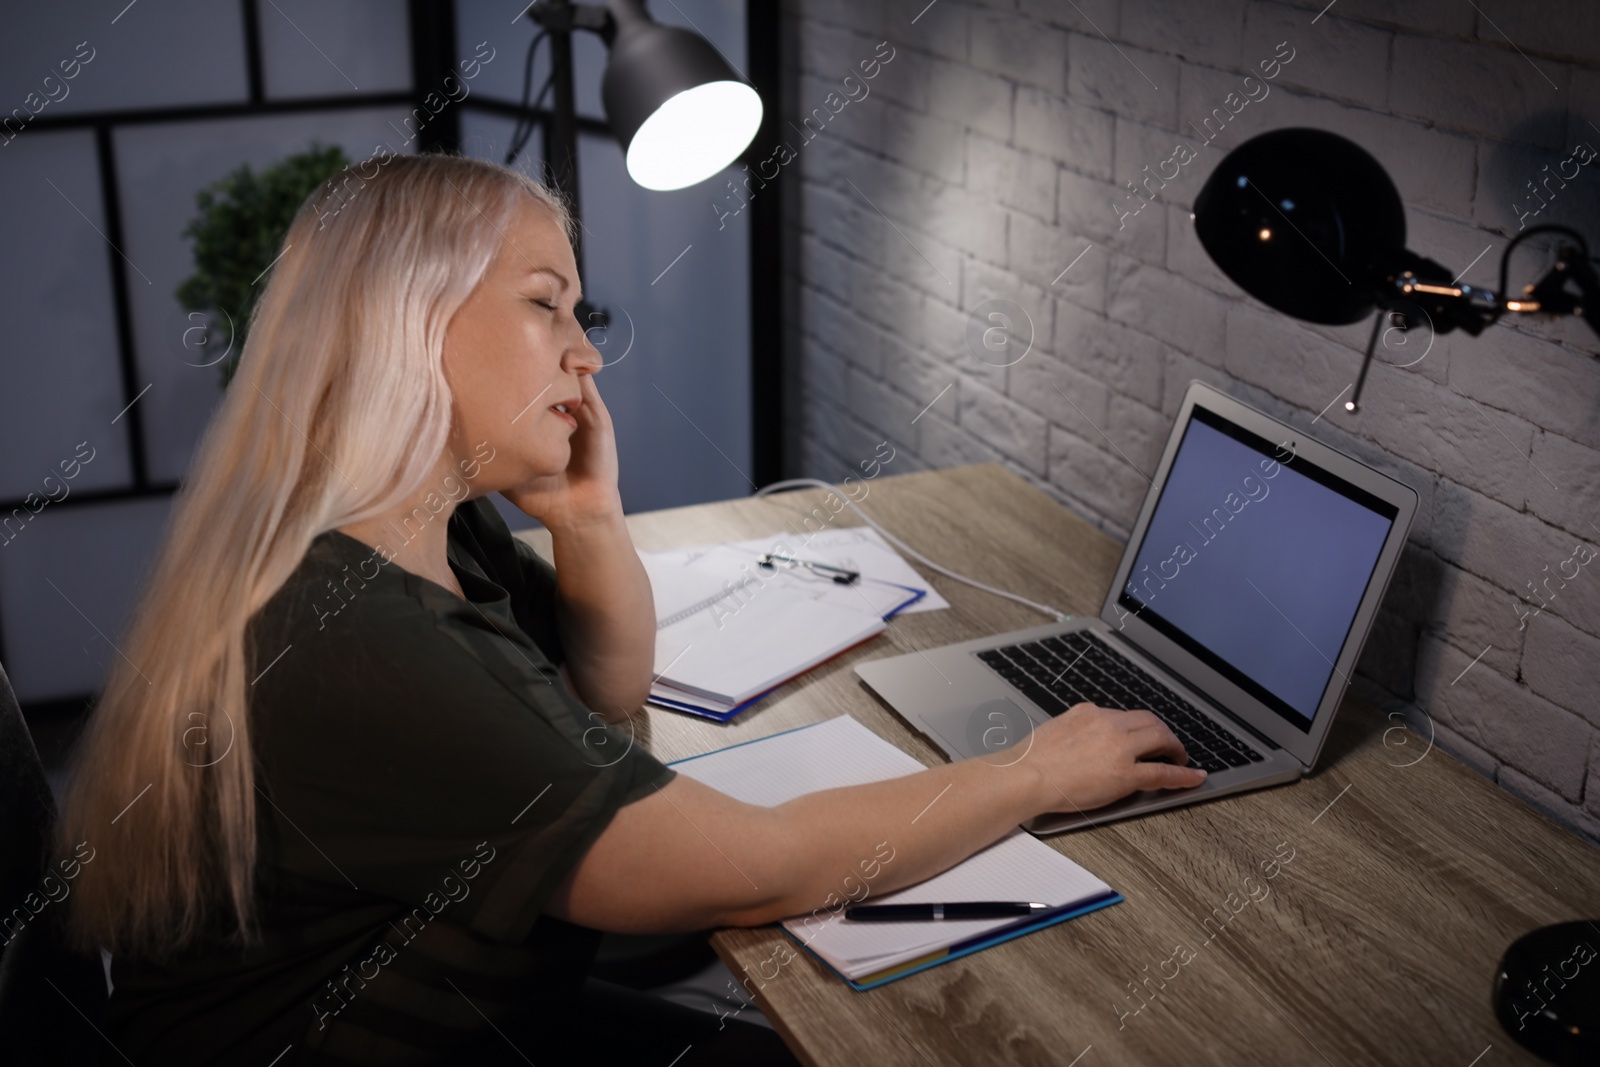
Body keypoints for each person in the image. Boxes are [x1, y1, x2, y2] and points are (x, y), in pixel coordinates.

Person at [54, 155, 1205, 1066]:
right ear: (407, 321)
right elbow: (746, 868)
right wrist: (1032, 775)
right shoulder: (361, 637)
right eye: (545, 304)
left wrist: (591, 523)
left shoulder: (432, 532)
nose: (586, 353)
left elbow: (604, 728)